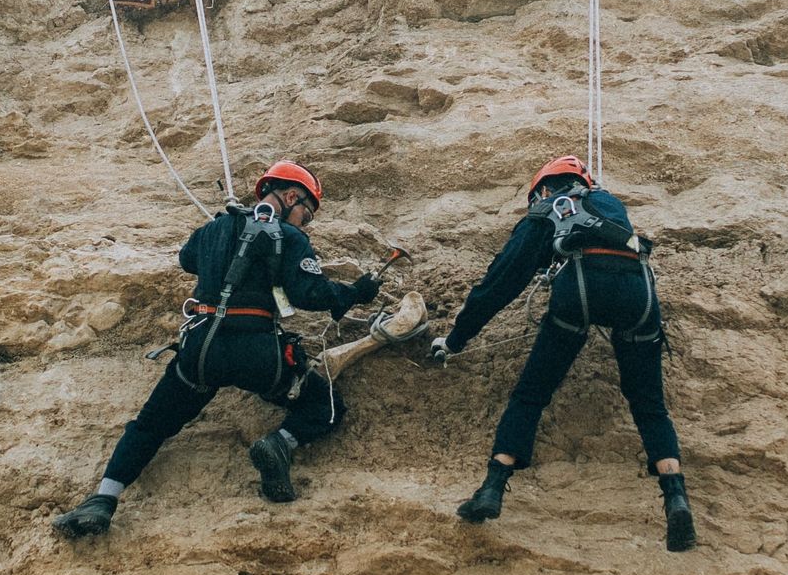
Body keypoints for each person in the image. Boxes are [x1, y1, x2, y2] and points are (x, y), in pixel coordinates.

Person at [51, 161, 381, 539]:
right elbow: (312, 294)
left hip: (202, 350)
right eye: (306, 213)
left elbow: (186, 258)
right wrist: (355, 293)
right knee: (325, 405)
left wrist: (225, 233)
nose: (305, 223)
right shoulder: (289, 238)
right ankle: (279, 444)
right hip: (259, 351)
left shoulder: (214, 229)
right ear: (292, 196)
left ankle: (103, 500)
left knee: (150, 426)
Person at [430, 155, 698, 552]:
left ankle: (492, 488)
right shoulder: (609, 204)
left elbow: (500, 283)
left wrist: (456, 338)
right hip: (639, 296)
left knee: (531, 394)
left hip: (580, 295)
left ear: (541, 188)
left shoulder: (546, 209)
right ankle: (676, 498)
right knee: (649, 405)